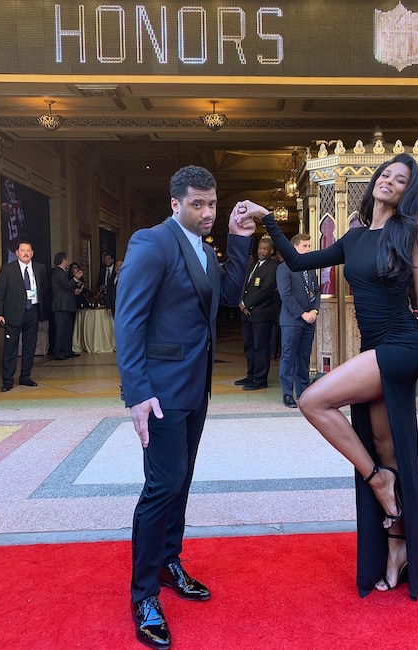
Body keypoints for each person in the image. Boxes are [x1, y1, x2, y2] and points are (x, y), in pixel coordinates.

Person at [237, 153, 418, 601]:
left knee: (313, 400)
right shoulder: (353, 237)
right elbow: (296, 261)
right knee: (385, 447)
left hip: (400, 346)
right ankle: (397, 548)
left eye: (400, 180)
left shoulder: (412, 232)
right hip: (375, 348)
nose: (389, 181)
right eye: (386, 174)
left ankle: (377, 481)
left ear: (407, 192)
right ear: (375, 181)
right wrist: (269, 219)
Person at [115, 165, 254, 649]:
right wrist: (136, 392)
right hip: (159, 390)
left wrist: (240, 238)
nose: (207, 212)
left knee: (182, 481)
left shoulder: (205, 249)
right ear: (175, 204)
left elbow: (229, 296)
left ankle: (169, 561)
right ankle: (144, 595)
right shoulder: (152, 242)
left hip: (195, 387)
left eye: (212, 203)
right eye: (197, 204)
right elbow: (128, 320)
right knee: (162, 486)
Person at [0, 239, 48, 392]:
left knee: (30, 346)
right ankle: (7, 380)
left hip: (32, 312)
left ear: (32, 253)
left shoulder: (39, 268)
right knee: (10, 347)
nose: (25, 253)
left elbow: (44, 287)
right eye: (22, 250)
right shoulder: (7, 269)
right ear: (17, 253)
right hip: (13, 314)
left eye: (28, 250)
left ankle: (25, 377)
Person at [276, 233, 321, 408]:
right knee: (288, 356)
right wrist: (303, 314)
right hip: (292, 320)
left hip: (309, 319)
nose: (308, 249)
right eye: (305, 246)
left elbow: (316, 291)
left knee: (303, 356)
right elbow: (286, 295)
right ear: (294, 248)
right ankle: (287, 393)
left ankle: (303, 390)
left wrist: (315, 310)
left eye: (309, 246)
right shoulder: (284, 268)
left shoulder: (310, 268)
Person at [234, 237, 279, 390]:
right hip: (247, 314)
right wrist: (241, 302)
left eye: (265, 249)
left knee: (261, 347)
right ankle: (251, 375)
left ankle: (260, 379)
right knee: (249, 346)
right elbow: (244, 285)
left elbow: (266, 290)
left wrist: (246, 304)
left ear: (271, 251)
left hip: (262, 314)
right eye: (260, 248)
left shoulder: (273, 267)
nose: (262, 251)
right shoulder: (254, 265)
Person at [51, 252, 83, 360]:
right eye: (67, 259)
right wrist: (76, 278)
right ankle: (59, 352)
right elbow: (66, 285)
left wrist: (73, 291)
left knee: (67, 330)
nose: (68, 261)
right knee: (61, 330)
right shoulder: (59, 272)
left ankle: (67, 351)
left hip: (65, 305)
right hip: (61, 306)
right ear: (63, 260)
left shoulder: (60, 272)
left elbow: (63, 289)